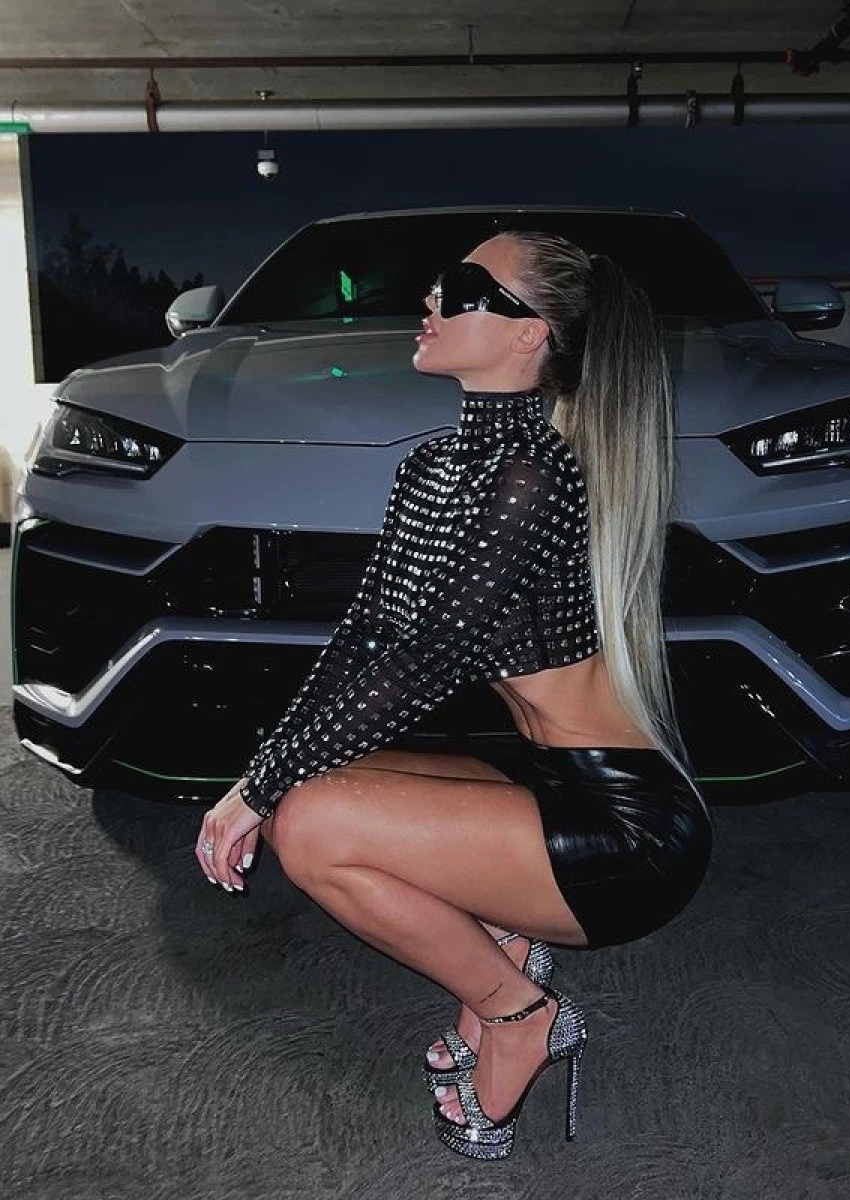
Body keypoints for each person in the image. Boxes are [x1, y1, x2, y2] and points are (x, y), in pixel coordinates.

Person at [194, 228, 713, 1160]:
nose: (431, 299)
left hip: (625, 830)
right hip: (544, 783)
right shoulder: (433, 466)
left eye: (465, 287)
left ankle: (519, 1014)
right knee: (306, 789)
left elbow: (426, 660)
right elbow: (365, 638)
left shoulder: (532, 478)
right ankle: (506, 948)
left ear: (529, 334)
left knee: (309, 825)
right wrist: (259, 773)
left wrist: (261, 792)